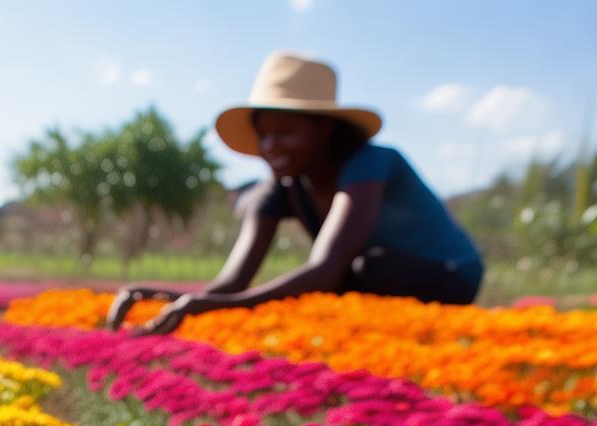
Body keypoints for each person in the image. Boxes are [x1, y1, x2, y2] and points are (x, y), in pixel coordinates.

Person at [107, 51, 484, 335]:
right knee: (354, 279)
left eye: (286, 132)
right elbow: (231, 283)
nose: (271, 146)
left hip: (450, 275)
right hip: (368, 275)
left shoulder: (371, 163)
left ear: (323, 130)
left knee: (364, 270)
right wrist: (161, 298)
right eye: (265, 134)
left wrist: (221, 307)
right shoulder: (280, 189)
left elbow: (326, 270)